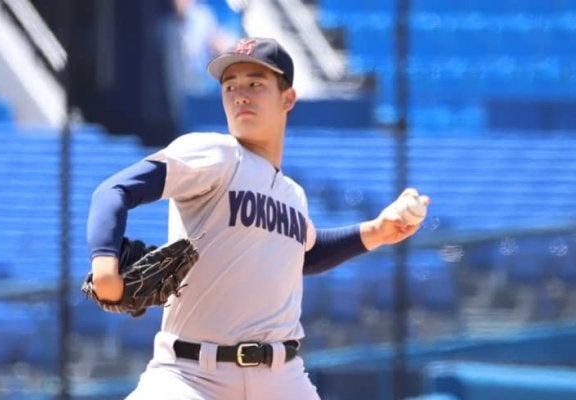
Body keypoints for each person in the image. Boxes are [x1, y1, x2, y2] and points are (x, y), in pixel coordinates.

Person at [86, 37, 430, 399]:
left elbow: (305, 254)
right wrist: (105, 265)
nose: (240, 95)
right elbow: (114, 191)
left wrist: (377, 231)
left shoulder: (293, 194)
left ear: (288, 99)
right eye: (230, 86)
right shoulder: (215, 153)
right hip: (190, 375)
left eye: (255, 83)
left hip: (282, 378)